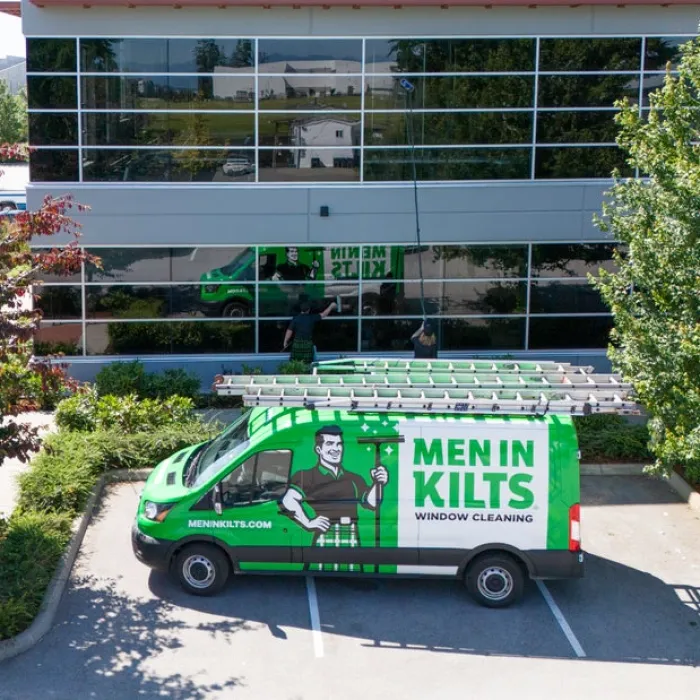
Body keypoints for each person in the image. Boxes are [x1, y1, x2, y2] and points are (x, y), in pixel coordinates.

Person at [281, 425, 388, 572]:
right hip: (325, 534)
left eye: (339, 444)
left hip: (351, 534)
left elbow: (371, 503)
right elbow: (288, 500)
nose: (336, 449)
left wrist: (378, 483)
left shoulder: (353, 478)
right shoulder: (306, 476)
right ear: (318, 449)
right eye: (329, 444)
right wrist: (308, 522)